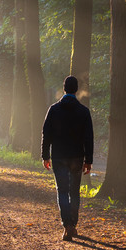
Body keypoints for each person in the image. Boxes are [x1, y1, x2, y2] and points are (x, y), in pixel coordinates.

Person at [41, 76, 94, 241]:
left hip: (58, 156)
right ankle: (73, 224)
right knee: (74, 191)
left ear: (64, 89)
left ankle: (67, 225)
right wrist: (89, 160)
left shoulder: (53, 109)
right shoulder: (83, 111)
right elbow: (89, 137)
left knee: (62, 191)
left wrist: (45, 156)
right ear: (76, 90)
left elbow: (46, 134)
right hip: (77, 157)